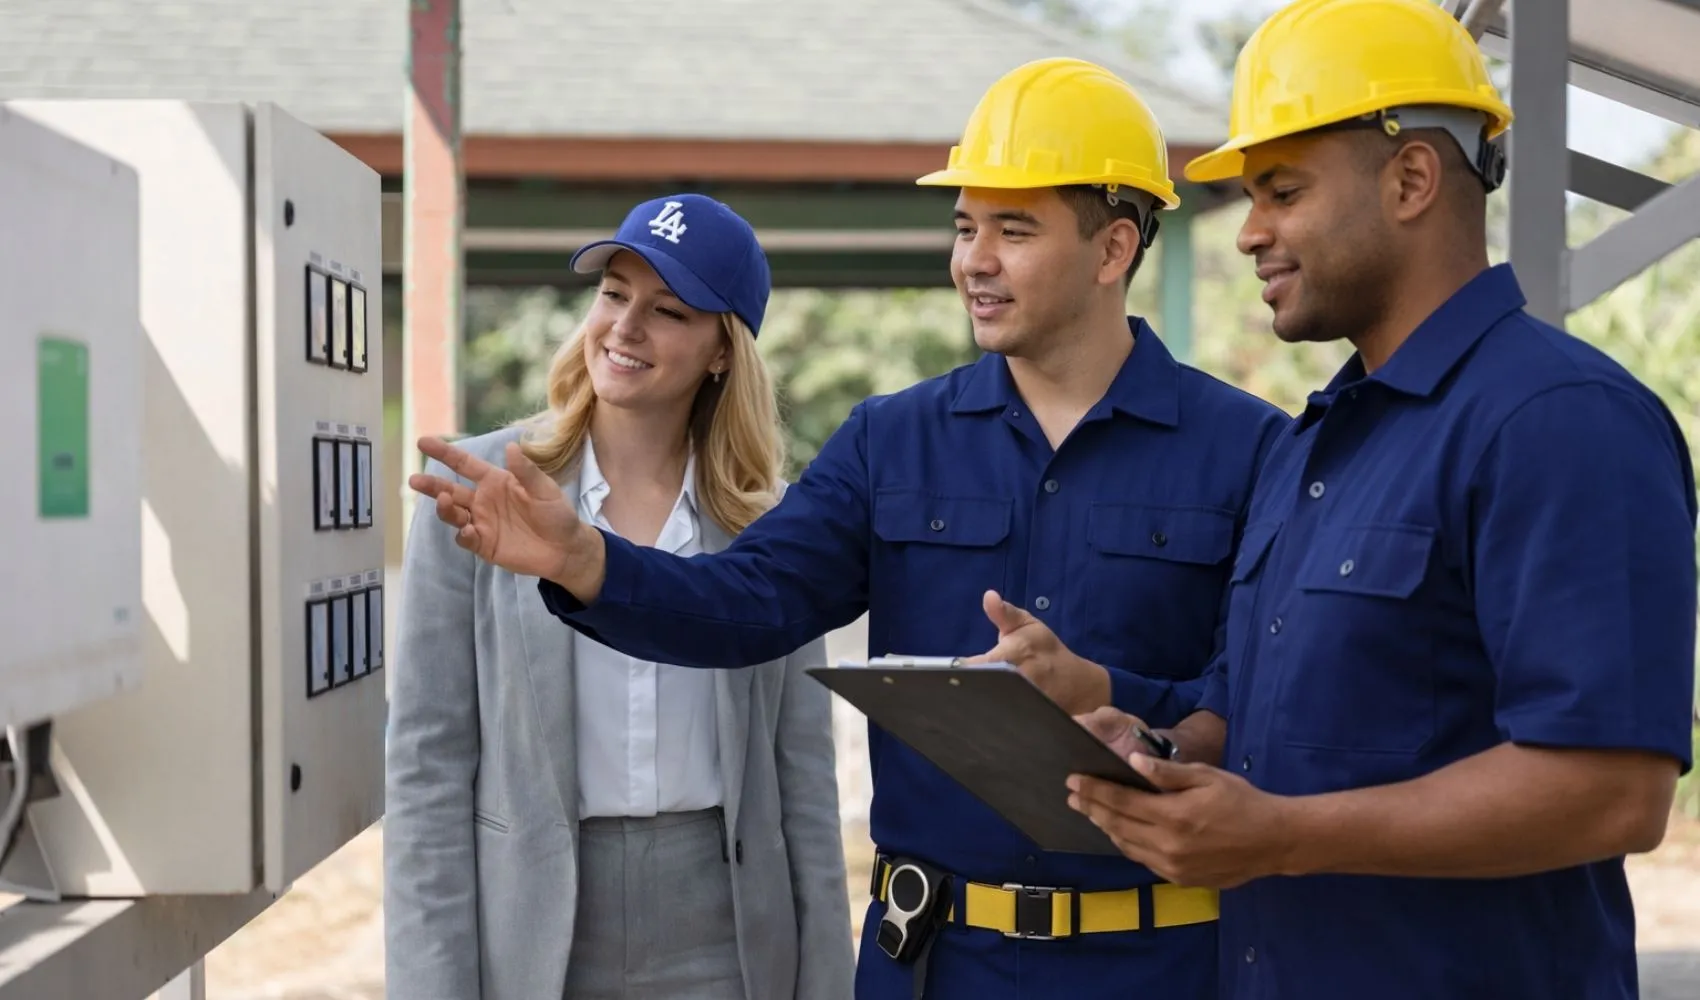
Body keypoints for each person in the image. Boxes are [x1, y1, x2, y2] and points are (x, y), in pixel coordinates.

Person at [406, 57, 1290, 1000]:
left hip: (1162, 965)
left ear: (1114, 249)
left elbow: (1268, 702)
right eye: (964, 227)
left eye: (1013, 230)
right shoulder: (890, 441)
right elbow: (747, 605)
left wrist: (1114, 695)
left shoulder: (1254, 451)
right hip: (934, 964)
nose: (973, 260)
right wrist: (586, 561)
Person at [1059, 2, 1700, 999]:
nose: (1250, 233)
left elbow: (1611, 789)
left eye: (1281, 190)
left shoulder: (1558, 421)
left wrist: (1278, 836)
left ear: (1408, 180)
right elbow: (1251, 712)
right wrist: (1158, 753)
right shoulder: (1312, 441)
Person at [383, 192, 856, 1000]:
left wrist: (825, 983)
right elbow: (427, 768)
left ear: (721, 352)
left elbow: (802, 777)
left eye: (668, 310)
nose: (625, 327)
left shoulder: (768, 527)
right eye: (613, 294)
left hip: (728, 933)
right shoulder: (483, 492)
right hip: (532, 934)